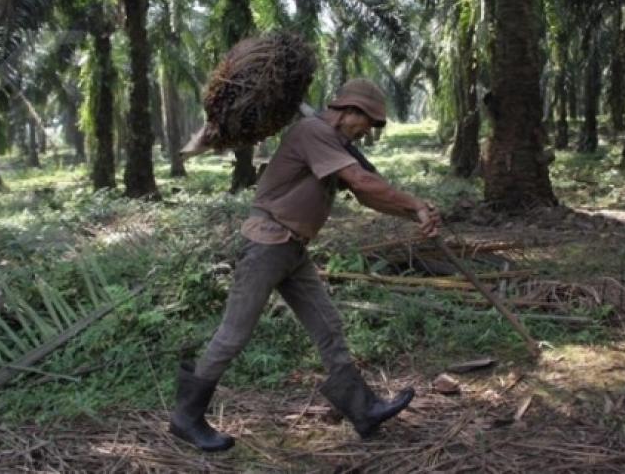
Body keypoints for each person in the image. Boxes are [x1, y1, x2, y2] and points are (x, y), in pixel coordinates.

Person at [170, 78, 442, 452]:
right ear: (350, 112)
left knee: (328, 326)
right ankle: (186, 417)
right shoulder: (313, 132)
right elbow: (361, 180)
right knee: (233, 335)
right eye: (367, 123)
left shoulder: (331, 141)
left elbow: (366, 195)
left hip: (292, 249)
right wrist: (413, 203)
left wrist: (416, 213)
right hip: (267, 245)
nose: (366, 132)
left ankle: (363, 409)